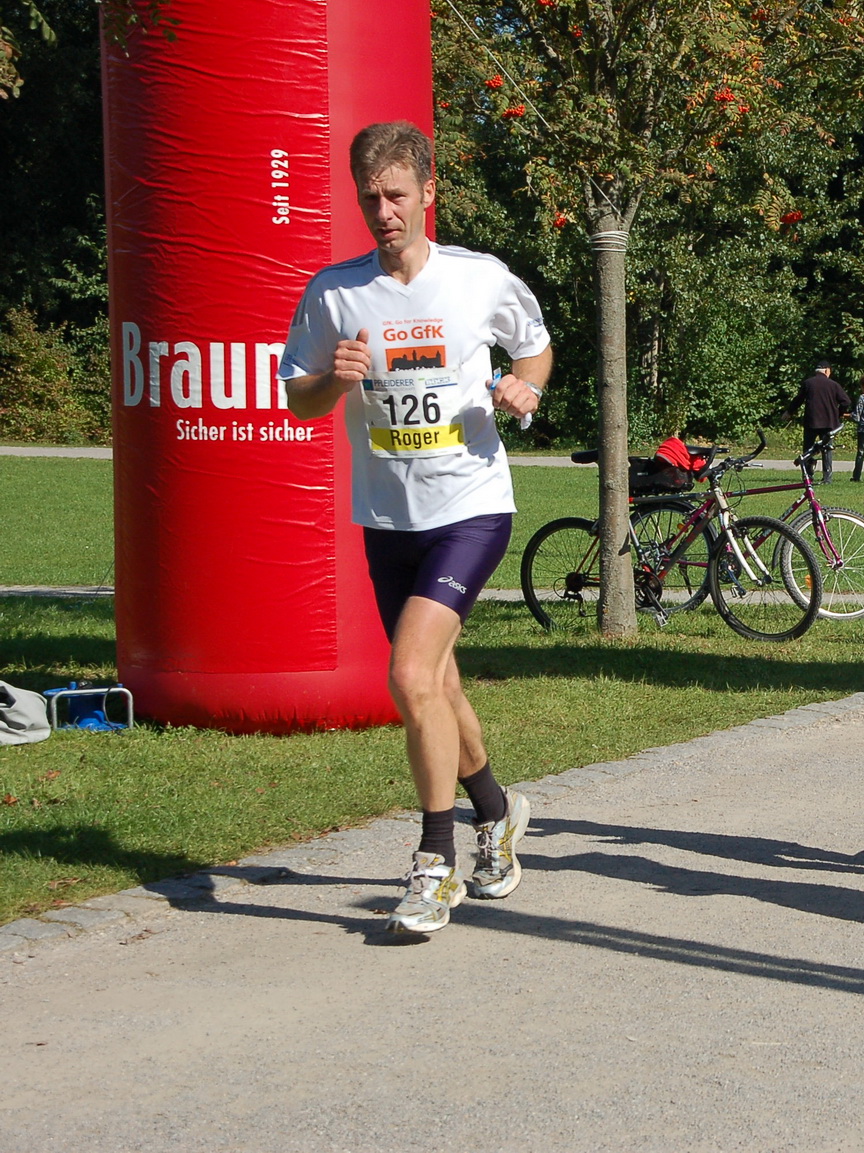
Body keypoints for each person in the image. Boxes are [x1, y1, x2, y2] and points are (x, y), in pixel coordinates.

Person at [281, 121, 548, 934]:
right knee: (438, 684)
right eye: (370, 198)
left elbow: (534, 350)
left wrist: (523, 390)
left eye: (397, 195)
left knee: (407, 673)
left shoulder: (479, 279)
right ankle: (498, 814)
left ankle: (436, 863)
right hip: (389, 517)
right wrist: (335, 375)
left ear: (428, 194)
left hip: (470, 506)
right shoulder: (336, 292)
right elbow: (299, 396)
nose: (383, 212)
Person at [791, 361, 850, 482]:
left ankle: (807, 475)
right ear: (827, 371)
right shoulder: (833, 385)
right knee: (827, 449)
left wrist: (789, 412)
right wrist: (839, 413)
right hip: (829, 423)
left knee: (808, 449)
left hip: (811, 422)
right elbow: (846, 401)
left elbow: (798, 400)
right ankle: (827, 477)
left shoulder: (808, 383)